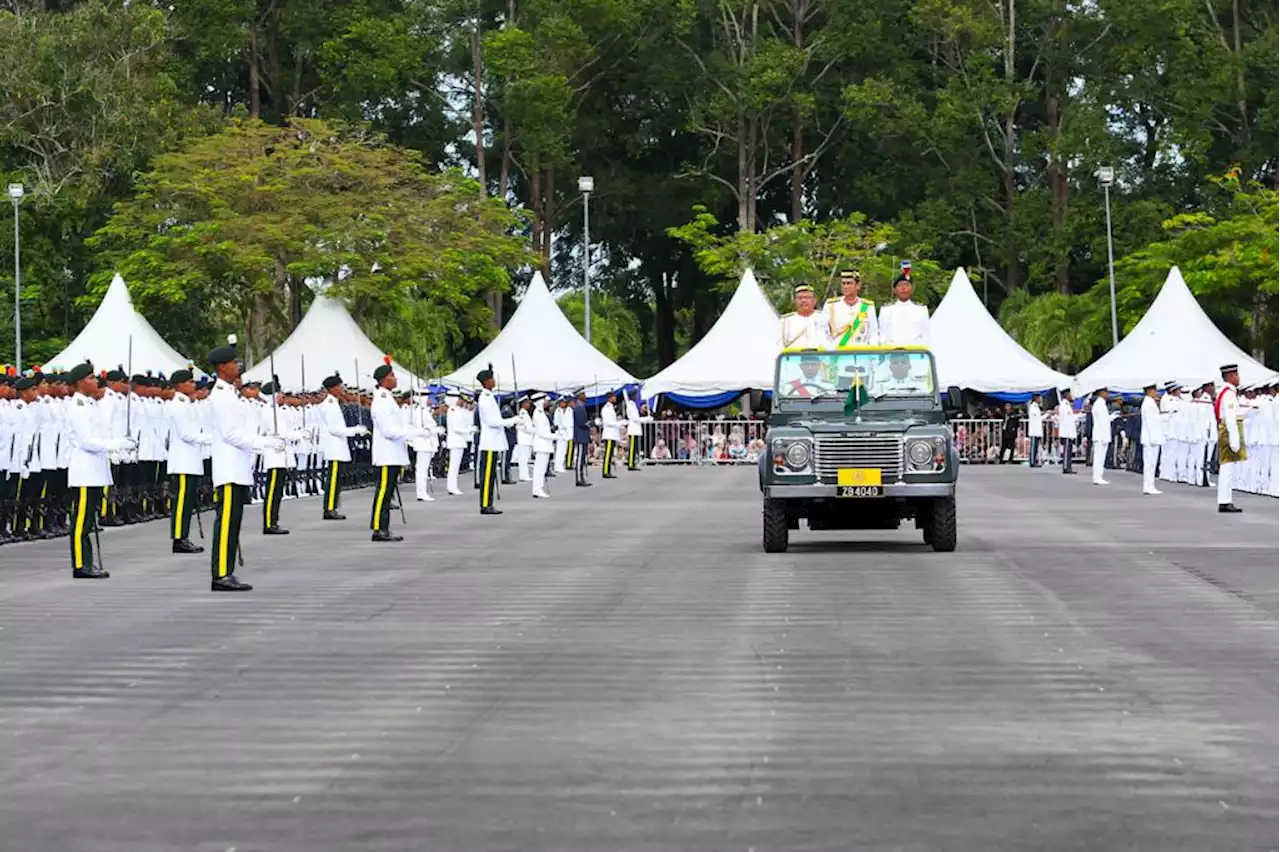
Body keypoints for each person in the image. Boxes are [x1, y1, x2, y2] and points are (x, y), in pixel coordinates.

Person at [207, 339, 283, 592]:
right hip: (228, 467)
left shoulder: (231, 393)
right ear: (221, 367)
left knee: (234, 523)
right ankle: (220, 574)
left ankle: (226, 571)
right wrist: (262, 443)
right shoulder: (220, 396)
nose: (236, 365)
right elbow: (230, 434)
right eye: (231, 362)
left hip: (239, 466)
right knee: (226, 522)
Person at [66, 361, 132, 579]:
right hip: (84, 472)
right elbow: (87, 441)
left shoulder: (91, 404)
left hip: (95, 471)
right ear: (80, 382)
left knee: (88, 521)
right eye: (92, 378)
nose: (96, 381)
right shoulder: (78, 407)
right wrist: (116, 445)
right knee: (81, 523)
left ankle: (87, 562)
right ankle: (80, 564)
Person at [370, 358, 417, 541]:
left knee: (388, 492)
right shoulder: (381, 401)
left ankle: (383, 527)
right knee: (383, 492)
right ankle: (378, 529)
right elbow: (389, 430)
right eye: (392, 376)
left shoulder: (387, 398)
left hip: (393, 453)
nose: (395, 379)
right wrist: (410, 434)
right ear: (383, 380)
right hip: (386, 453)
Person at [165, 368, 210, 554]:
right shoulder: (178, 405)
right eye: (190, 382)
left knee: (189, 500)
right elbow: (186, 434)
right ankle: (178, 538)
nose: (193, 385)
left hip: (191, 460)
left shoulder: (189, 404)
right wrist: (210, 439)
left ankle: (183, 535)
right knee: (182, 501)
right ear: (179, 385)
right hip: (183, 461)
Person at [318, 374, 368, 519]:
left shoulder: (334, 403)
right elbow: (335, 429)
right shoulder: (330, 405)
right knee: (333, 479)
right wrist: (355, 430)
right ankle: (329, 509)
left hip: (338, 446)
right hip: (334, 447)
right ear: (332, 388)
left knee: (336, 479)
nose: (342, 389)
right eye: (339, 387)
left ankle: (332, 506)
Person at [476, 369, 518, 514]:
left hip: (493, 441)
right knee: (487, 475)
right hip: (489, 442)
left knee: (491, 474)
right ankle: (486, 505)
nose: (494, 381)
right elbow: (492, 421)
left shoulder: (489, 396)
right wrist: (511, 421)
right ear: (486, 381)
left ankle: (488, 502)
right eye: (492, 379)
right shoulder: (485, 398)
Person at [1216, 364, 1245, 513]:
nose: (1238, 378)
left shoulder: (1227, 392)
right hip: (1229, 431)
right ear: (1230, 377)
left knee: (1227, 466)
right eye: (1236, 375)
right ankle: (1225, 500)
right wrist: (1234, 438)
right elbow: (1230, 417)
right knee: (1228, 467)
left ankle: (1225, 499)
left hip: (1227, 429)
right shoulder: (1229, 394)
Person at [826, 269, 879, 348]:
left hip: (861, 355)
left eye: (849, 283)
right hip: (837, 355)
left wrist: (872, 357)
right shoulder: (831, 305)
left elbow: (873, 333)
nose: (845, 286)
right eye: (843, 283)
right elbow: (823, 331)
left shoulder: (867, 306)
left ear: (858, 285)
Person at [877, 273, 930, 346]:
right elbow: (882, 335)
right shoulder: (886, 310)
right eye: (900, 285)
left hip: (914, 353)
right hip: (892, 352)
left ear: (912, 289)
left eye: (906, 285)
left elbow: (926, 335)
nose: (903, 288)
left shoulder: (921, 310)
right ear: (894, 290)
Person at [410, 390, 441, 501]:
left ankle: (422, 491)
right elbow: (421, 428)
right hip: (423, 441)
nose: (428, 399)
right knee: (421, 469)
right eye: (426, 397)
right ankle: (421, 492)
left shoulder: (423, 411)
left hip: (427, 442)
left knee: (423, 468)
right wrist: (434, 430)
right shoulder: (419, 412)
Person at [779, 284, 829, 349]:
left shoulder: (825, 318)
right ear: (794, 301)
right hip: (794, 357)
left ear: (814, 301)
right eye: (800, 298)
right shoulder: (785, 321)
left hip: (821, 357)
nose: (803, 300)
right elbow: (779, 345)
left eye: (807, 297)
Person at [1139, 382, 1164, 495]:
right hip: (1151, 438)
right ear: (1149, 391)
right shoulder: (1148, 403)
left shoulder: (1150, 402)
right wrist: (1154, 438)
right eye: (1155, 390)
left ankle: (1149, 485)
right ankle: (1148, 486)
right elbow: (1150, 423)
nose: (1156, 393)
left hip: (1152, 437)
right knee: (1150, 463)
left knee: (1151, 463)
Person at [530, 392, 554, 498]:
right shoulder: (538, 413)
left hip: (544, 444)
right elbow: (541, 432)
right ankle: (537, 489)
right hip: (541, 443)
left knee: (541, 468)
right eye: (545, 400)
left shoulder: (541, 412)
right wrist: (555, 436)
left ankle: (538, 488)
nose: (547, 402)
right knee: (540, 468)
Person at [1090, 388, 1114, 485]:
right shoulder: (1099, 404)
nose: (1107, 394)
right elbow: (1101, 421)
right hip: (1100, 434)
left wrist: (1111, 417)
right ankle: (1097, 477)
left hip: (1102, 434)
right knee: (1099, 457)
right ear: (1101, 393)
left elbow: (1104, 419)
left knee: (1101, 457)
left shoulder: (1101, 403)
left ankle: (1099, 476)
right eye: (1106, 392)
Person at [572, 388, 592, 487]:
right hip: (580, 435)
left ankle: (581, 477)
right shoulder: (578, 408)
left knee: (583, 458)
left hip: (583, 436)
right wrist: (590, 424)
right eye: (583, 394)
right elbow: (581, 423)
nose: (585, 395)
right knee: (580, 458)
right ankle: (579, 478)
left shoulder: (581, 407)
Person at [599, 390, 621, 478]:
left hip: (612, 434)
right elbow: (607, 422)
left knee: (610, 453)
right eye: (613, 397)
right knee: (608, 454)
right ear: (609, 398)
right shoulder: (606, 408)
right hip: (608, 434)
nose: (615, 398)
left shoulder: (611, 407)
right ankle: (605, 471)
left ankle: (608, 470)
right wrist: (618, 423)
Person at [514, 396, 535, 481]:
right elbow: (525, 427)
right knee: (523, 458)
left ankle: (525, 475)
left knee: (526, 458)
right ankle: (523, 475)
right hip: (524, 439)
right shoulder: (522, 413)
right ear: (523, 403)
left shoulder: (525, 413)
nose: (529, 405)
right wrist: (534, 430)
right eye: (527, 403)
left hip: (527, 439)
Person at [625, 393, 647, 471]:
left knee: (634, 448)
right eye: (635, 395)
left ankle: (633, 462)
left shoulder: (633, 405)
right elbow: (635, 419)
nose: (637, 397)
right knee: (632, 448)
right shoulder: (630, 406)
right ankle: (630, 464)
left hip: (636, 430)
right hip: (633, 430)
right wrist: (646, 419)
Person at [1026, 393, 1044, 467]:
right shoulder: (1033, 407)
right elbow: (1037, 418)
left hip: (1037, 430)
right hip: (1034, 430)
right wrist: (1046, 415)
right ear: (1036, 398)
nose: (1040, 399)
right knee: (1033, 447)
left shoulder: (1036, 407)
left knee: (1036, 447)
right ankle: (1032, 461)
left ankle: (1034, 460)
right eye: (1039, 398)